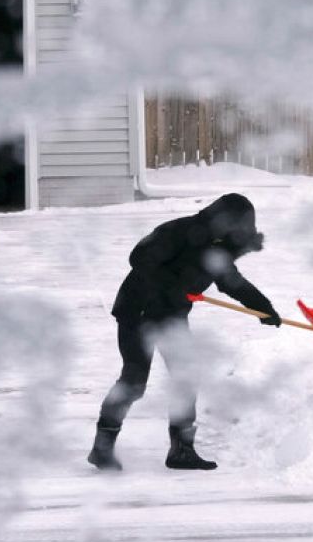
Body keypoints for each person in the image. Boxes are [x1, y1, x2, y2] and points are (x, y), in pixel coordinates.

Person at [87, 193, 281, 471]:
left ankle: (182, 451)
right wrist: (173, 285)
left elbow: (232, 282)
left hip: (171, 317)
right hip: (138, 310)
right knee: (134, 381)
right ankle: (101, 449)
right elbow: (139, 257)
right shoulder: (179, 231)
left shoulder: (220, 248)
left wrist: (263, 308)